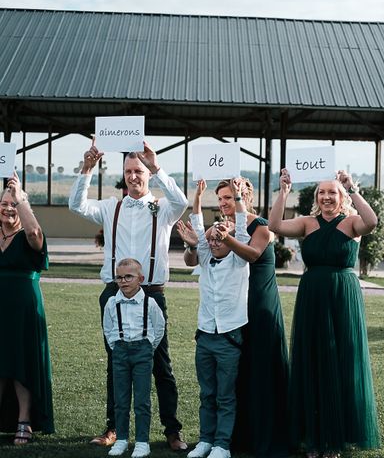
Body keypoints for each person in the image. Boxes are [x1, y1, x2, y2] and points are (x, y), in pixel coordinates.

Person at [69, 139, 189, 450]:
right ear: (123, 175)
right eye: (128, 171)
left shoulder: (162, 209)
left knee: (161, 364)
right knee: (116, 362)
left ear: (147, 173)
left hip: (151, 294)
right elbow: (76, 205)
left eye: (138, 170)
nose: (133, 176)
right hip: (115, 294)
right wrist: (86, 169)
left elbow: (182, 202)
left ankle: (172, 430)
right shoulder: (111, 207)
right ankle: (114, 428)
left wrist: (157, 165)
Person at [268, 168, 380, 458]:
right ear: (316, 197)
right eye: (322, 192)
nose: (327, 196)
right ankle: (313, 435)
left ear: (341, 196)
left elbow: (373, 221)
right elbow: (275, 224)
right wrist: (283, 191)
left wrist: (353, 187)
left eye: (333, 192)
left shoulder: (352, 223)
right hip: (313, 296)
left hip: (343, 297)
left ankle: (337, 436)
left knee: (341, 360)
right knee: (313, 359)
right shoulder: (307, 223)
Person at [178, 176, 290, 458]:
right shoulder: (217, 231)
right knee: (231, 378)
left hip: (258, 303)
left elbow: (251, 254)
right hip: (227, 311)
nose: (223, 203)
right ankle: (228, 438)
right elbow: (197, 257)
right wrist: (199, 240)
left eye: (229, 197)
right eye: (221, 198)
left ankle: (262, 434)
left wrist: (224, 234)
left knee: (259, 370)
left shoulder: (259, 227)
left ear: (243, 196)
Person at [185, 179, 250, 458]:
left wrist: (236, 196)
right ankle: (205, 441)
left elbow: (243, 225)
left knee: (225, 396)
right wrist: (197, 197)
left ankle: (222, 444)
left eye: (219, 238)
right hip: (205, 337)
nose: (213, 242)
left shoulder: (238, 260)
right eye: (211, 239)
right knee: (206, 395)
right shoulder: (205, 259)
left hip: (229, 339)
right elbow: (199, 227)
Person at [0, 172, 54, 444]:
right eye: (5, 203)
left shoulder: (28, 236)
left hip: (24, 309)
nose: (9, 208)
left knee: (22, 362)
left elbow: (34, 232)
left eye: (14, 204)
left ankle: (24, 420)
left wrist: (20, 195)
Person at [103, 258, 165, 458]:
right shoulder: (112, 303)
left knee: (141, 400)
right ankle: (121, 439)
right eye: (119, 277)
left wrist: (147, 347)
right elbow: (108, 328)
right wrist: (117, 346)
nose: (123, 281)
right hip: (120, 352)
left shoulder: (150, 303)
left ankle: (141, 441)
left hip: (143, 353)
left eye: (128, 276)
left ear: (141, 278)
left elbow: (159, 328)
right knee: (120, 399)